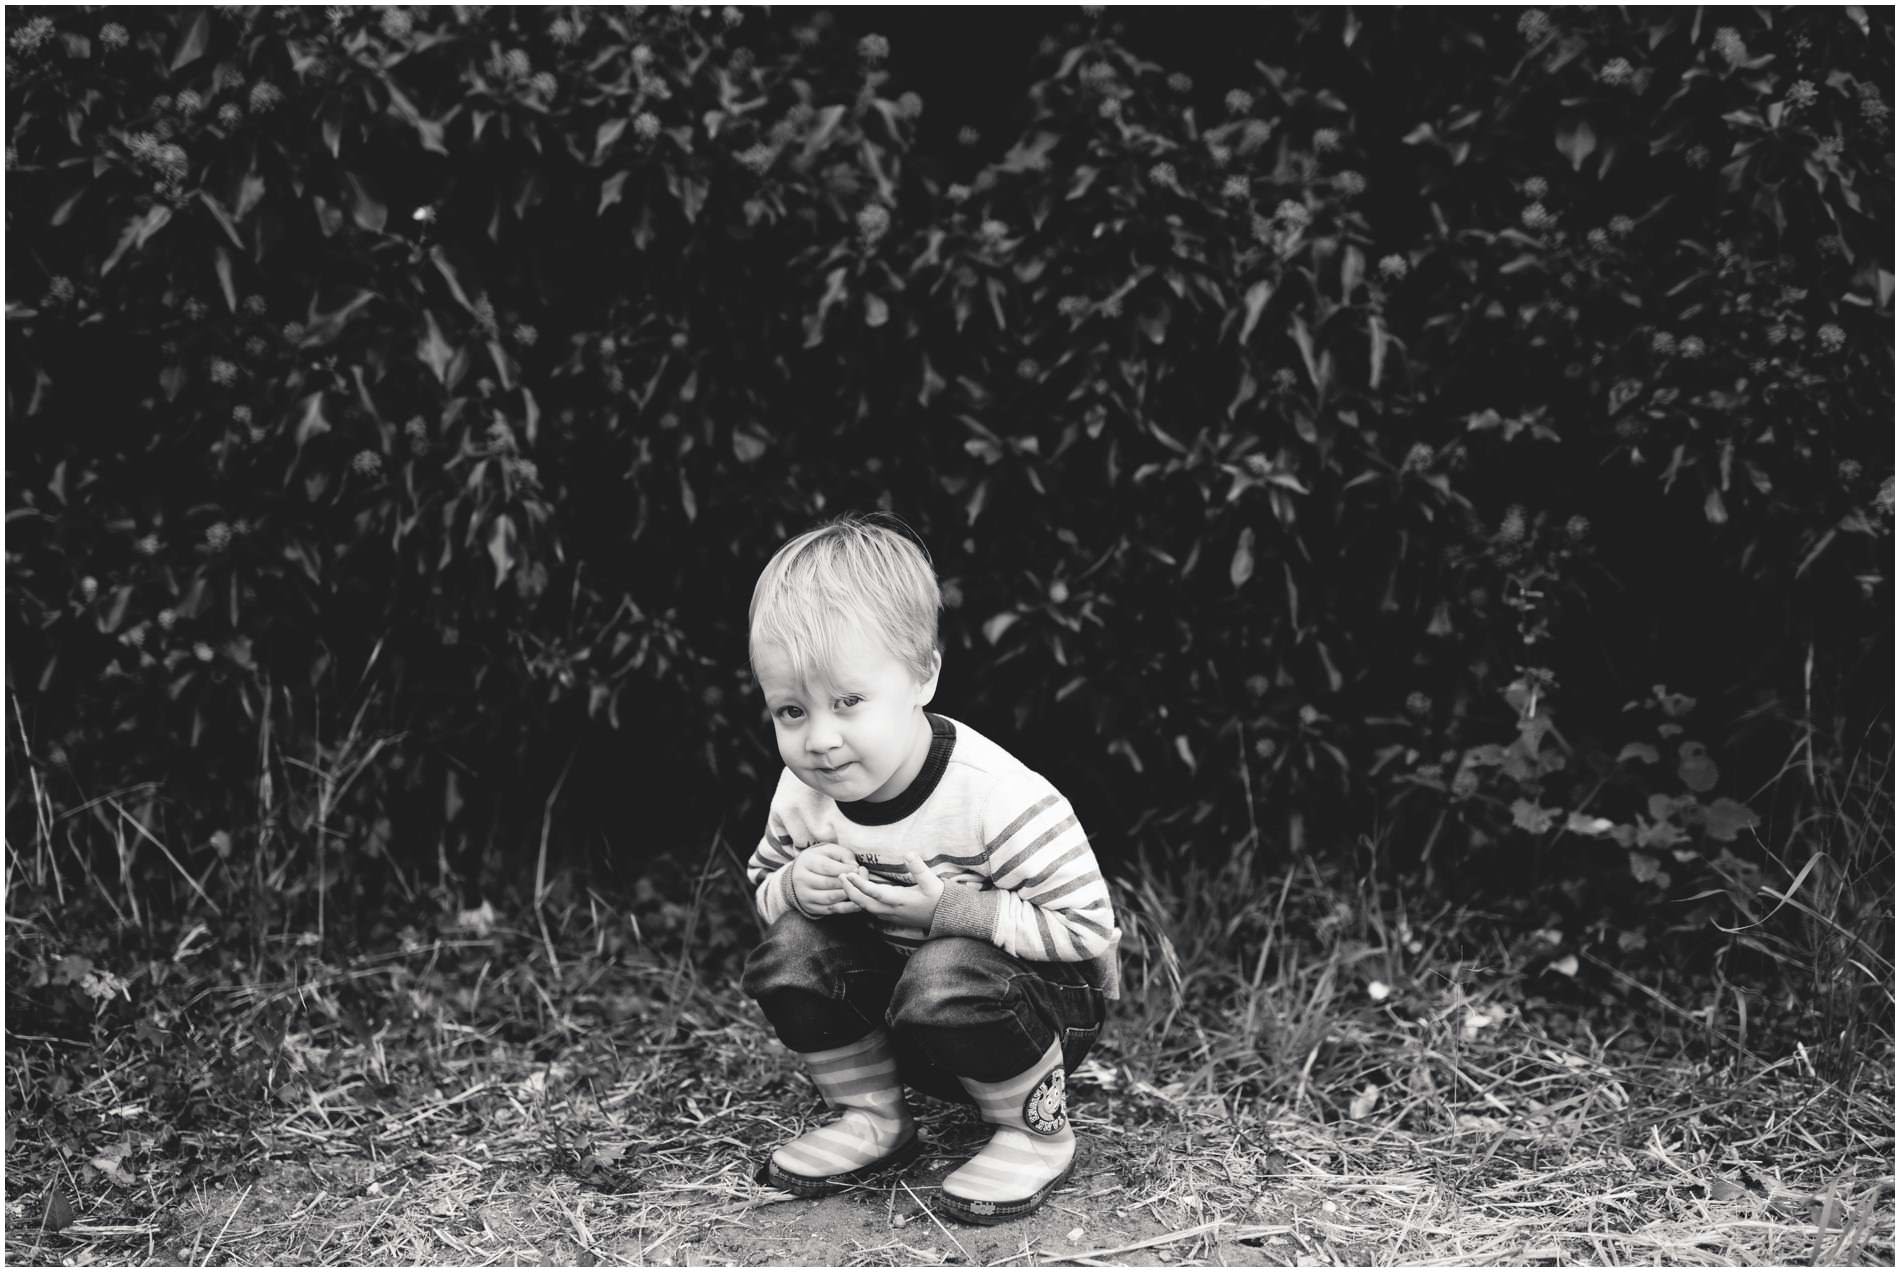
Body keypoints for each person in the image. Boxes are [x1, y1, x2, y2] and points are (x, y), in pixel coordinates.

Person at [739, 514, 1120, 1225]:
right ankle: (873, 1116)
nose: (820, 740)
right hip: (907, 1016)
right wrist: (794, 887)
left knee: (946, 969)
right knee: (790, 948)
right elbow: (764, 888)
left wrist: (948, 910)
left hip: (1035, 1013)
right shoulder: (805, 791)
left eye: (848, 702)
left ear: (924, 676)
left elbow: (1089, 930)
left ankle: (1035, 1133)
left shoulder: (994, 796)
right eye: (791, 711)